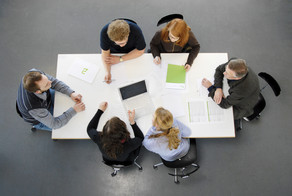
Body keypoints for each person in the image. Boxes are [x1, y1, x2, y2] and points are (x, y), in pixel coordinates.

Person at [16, 68, 85, 131]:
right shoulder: (34, 107)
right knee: (67, 129)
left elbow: (54, 82)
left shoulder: (33, 73)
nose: (50, 82)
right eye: (46, 84)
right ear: (38, 91)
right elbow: (55, 124)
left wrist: (71, 93)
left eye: (47, 79)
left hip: (45, 100)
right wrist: (74, 110)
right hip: (39, 117)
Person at [100, 19, 146, 83]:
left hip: (131, 52)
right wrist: (107, 72)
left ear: (128, 34)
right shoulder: (104, 32)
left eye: (123, 43)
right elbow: (105, 52)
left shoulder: (136, 30)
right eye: (118, 43)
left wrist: (120, 59)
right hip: (114, 53)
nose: (121, 46)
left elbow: (140, 50)